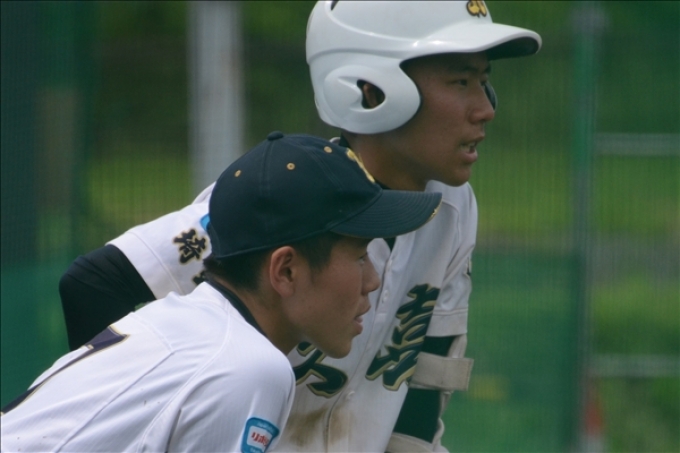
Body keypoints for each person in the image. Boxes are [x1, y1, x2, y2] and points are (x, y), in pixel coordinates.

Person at [58, 1, 542, 452]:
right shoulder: (285, 198)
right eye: (460, 82)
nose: (485, 108)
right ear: (371, 89)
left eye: (484, 82)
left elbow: (424, 380)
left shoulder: (453, 209)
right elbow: (97, 284)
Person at [0, 133, 441, 453]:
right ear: (285, 270)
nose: (373, 280)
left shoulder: (185, 325)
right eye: (360, 256)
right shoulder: (247, 367)